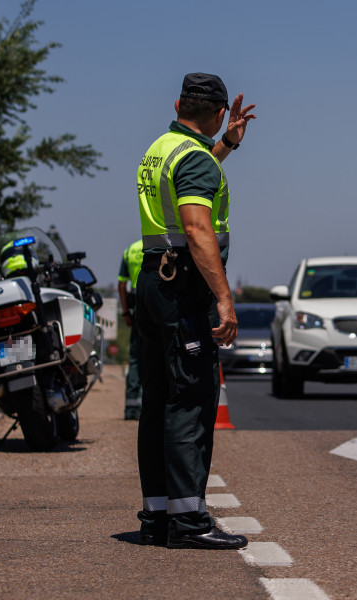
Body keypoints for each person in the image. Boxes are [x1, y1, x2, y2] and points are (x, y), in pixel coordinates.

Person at [135, 72, 255, 550]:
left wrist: (226, 144)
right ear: (221, 110)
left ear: (179, 103)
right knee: (190, 402)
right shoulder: (195, 162)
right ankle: (189, 524)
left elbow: (190, 176)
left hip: (153, 283)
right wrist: (224, 299)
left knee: (159, 402)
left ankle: (158, 518)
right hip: (184, 290)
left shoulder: (162, 147)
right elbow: (197, 228)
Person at [118, 239, 144, 420]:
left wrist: (125, 312)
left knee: (135, 358)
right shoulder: (159, 245)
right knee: (153, 356)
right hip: (153, 303)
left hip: (135, 306)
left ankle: (130, 409)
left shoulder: (130, 250)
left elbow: (121, 285)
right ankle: (146, 405)